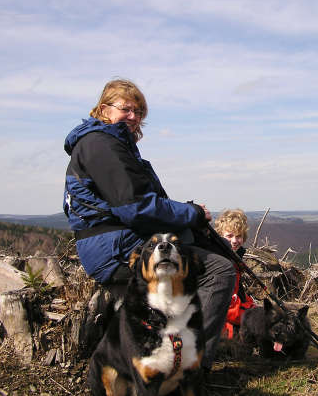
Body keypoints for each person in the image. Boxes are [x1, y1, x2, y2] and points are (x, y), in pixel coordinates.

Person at [63, 79, 235, 370]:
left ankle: (177, 353)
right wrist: (191, 213)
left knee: (193, 243)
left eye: (139, 111)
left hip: (117, 239)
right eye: (126, 109)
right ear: (104, 109)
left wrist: (189, 218)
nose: (134, 116)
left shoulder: (109, 144)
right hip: (113, 248)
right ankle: (189, 368)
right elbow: (137, 208)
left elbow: (140, 203)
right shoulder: (100, 145)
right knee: (219, 270)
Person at [213, 209, 256, 338]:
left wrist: (250, 306)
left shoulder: (234, 259)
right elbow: (222, 305)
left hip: (231, 313)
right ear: (220, 236)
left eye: (238, 236)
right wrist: (251, 316)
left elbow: (238, 294)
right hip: (221, 320)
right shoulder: (220, 263)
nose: (234, 241)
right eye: (229, 236)